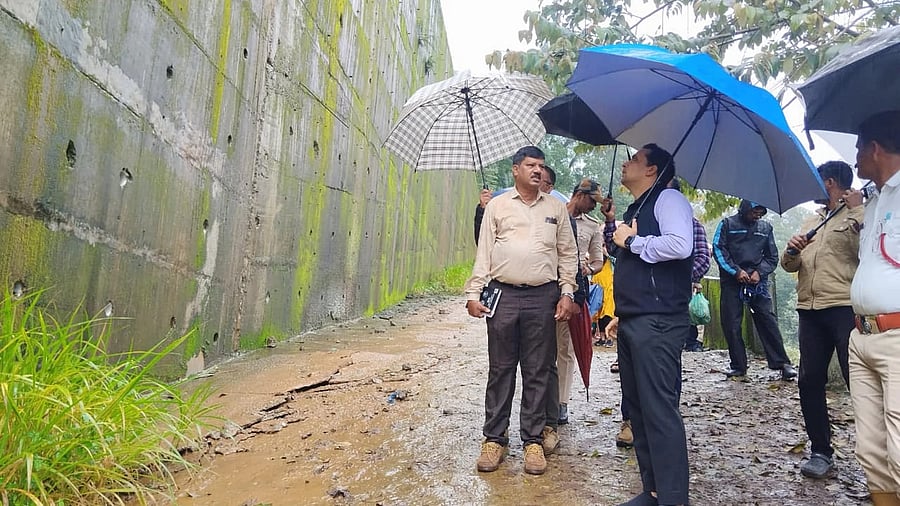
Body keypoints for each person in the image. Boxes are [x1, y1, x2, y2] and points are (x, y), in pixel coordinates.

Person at [463, 145, 578, 476]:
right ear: (516, 170)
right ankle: (494, 439)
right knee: (500, 368)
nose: (538, 171)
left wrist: (566, 293)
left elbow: (568, 255)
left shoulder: (556, 208)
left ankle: (533, 441)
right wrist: (473, 293)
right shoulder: (497, 206)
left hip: (543, 296)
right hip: (503, 295)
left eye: (541, 166)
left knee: (538, 369)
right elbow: (484, 252)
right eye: (531, 165)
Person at [601, 143, 693, 506]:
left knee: (659, 410)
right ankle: (653, 490)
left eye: (636, 159)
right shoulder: (637, 207)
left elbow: (680, 246)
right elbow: (638, 267)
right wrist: (623, 312)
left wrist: (632, 240)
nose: (628, 163)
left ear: (653, 171)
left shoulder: (669, 201)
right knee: (637, 409)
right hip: (636, 319)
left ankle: (673, 497)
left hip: (659, 323)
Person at [780, 161, 863, 479]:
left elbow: (867, 251)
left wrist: (855, 212)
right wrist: (792, 250)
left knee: (858, 383)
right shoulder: (811, 219)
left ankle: (878, 456)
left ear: (829, 182)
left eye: (817, 180)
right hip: (809, 311)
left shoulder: (861, 214)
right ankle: (820, 451)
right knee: (809, 380)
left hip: (844, 309)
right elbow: (790, 266)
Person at [845, 110, 900, 505]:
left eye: (859, 150)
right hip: (861, 336)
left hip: (897, 337)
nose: (856, 159)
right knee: (872, 453)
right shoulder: (874, 200)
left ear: (875, 149)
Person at [712, 200, 798, 380]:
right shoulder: (727, 224)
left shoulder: (766, 228)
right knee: (731, 324)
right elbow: (719, 249)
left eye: (760, 212)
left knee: (768, 320)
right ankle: (738, 366)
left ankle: (782, 363)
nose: (757, 215)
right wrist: (736, 271)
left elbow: (772, 256)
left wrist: (760, 272)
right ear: (745, 209)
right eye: (754, 212)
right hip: (732, 281)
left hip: (757, 282)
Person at [556, 179, 606, 425]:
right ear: (579, 194)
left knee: (565, 348)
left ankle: (561, 402)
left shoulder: (593, 226)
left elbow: (599, 261)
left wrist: (588, 269)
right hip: (546, 287)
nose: (593, 207)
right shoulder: (553, 213)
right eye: (591, 201)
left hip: (575, 290)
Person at [670, 178, 711, 352]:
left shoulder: (693, 226)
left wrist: (681, 275)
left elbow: (703, 258)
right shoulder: (644, 220)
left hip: (678, 290)